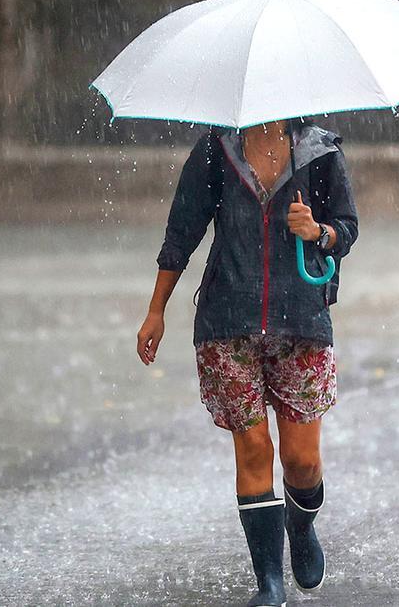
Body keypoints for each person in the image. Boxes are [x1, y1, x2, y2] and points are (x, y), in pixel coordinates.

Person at [136, 117, 358, 606]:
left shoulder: (318, 153)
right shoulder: (217, 151)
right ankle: (270, 583)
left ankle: (300, 529)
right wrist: (156, 310)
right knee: (254, 449)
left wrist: (318, 231)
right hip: (227, 321)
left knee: (302, 460)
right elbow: (181, 232)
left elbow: (348, 228)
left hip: (300, 320)